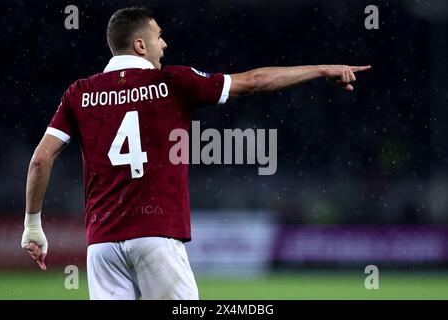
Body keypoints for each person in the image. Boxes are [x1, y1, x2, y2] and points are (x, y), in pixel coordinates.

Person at [21, 7, 371, 300]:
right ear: (140, 45)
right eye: (159, 36)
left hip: (101, 246)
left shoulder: (79, 93)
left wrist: (33, 225)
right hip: (156, 237)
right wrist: (320, 70)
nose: (165, 43)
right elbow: (253, 82)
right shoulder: (174, 82)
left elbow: (40, 159)